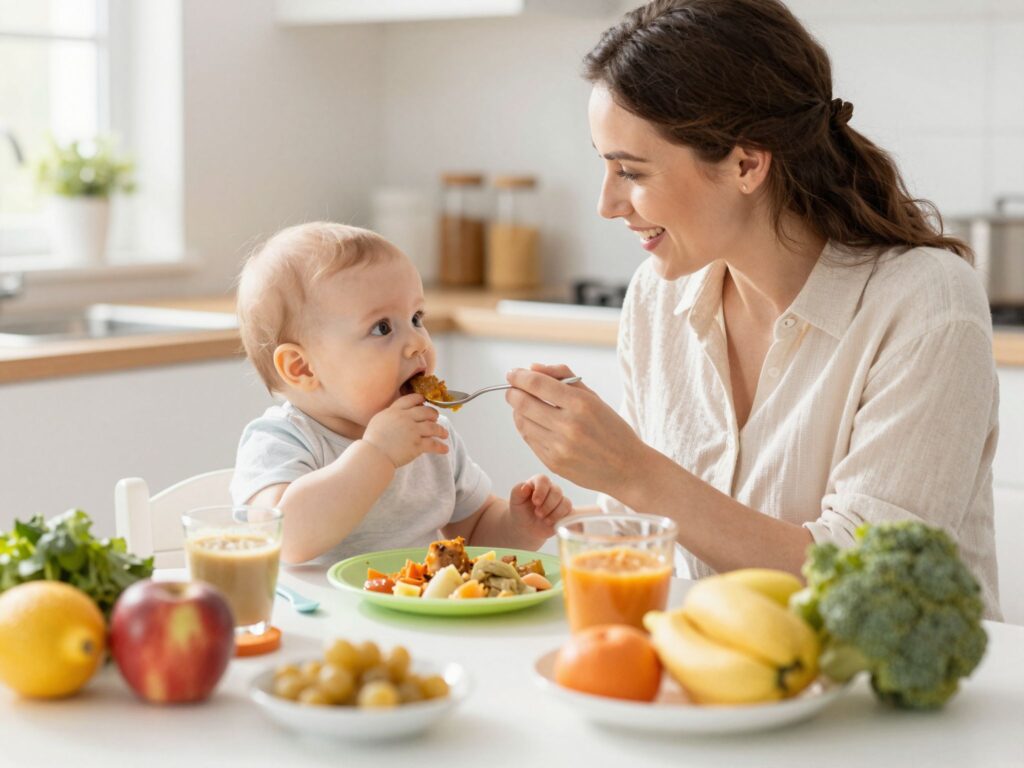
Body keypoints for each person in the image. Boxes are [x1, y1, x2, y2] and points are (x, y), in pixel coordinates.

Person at [505, 0, 1001, 618]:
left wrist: (632, 470)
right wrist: (553, 526)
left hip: (895, 702)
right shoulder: (658, 297)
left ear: (746, 163)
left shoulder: (926, 304)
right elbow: (668, 532)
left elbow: (873, 583)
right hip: (720, 679)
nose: (608, 204)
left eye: (630, 171)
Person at [231, 222, 572, 565]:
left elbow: (478, 531)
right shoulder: (280, 441)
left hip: (418, 614)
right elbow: (284, 538)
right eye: (382, 328)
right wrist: (377, 453)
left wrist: (521, 526)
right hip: (317, 617)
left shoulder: (430, 435)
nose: (418, 342)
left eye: (416, 318)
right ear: (302, 368)